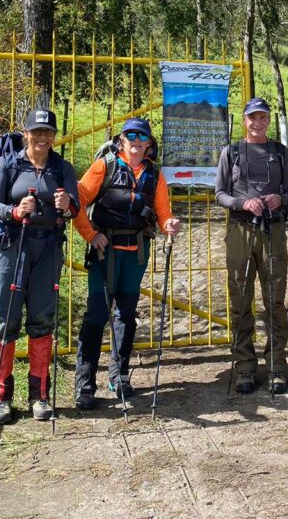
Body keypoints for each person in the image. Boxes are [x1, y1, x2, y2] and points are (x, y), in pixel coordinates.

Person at [71, 118, 181, 410]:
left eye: (141, 136)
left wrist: (169, 224)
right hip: (105, 252)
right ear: (121, 140)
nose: (135, 140)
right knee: (96, 316)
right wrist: (91, 235)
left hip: (136, 253)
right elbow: (76, 200)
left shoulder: (154, 176)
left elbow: (162, 213)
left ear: (148, 143)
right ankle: (85, 384)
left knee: (126, 315)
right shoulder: (104, 167)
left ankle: (119, 376)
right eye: (130, 135)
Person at [0, 108, 80, 424]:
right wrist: (14, 211)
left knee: (42, 319)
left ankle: (40, 396)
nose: (42, 137)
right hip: (11, 247)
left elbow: (75, 207)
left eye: (48, 132)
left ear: (54, 136)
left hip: (47, 249)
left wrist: (67, 206)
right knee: (6, 319)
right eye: (36, 131)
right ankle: (0, 397)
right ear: (25, 133)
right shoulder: (7, 164)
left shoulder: (62, 168)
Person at [214, 97, 288, 394]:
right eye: (253, 118)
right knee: (240, 299)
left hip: (273, 230)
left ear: (268, 120)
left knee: (274, 300)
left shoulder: (280, 152)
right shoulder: (232, 151)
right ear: (245, 120)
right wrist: (241, 202)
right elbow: (220, 194)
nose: (257, 122)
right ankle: (245, 368)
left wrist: (281, 199)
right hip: (240, 230)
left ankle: (276, 365)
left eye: (262, 117)